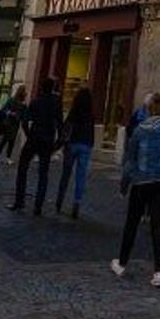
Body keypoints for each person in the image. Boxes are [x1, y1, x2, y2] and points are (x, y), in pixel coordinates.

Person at [111, 92, 160, 283]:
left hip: (141, 182)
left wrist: (124, 186)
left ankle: (122, 263)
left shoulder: (139, 131)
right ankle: (158, 272)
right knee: (158, 226)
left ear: (148, 109)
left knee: (132, 223)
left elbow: (130, 162)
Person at [10, 77, 63, 215]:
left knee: (23, 168)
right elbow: (60, 124)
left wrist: (29, 136)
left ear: (41, 87)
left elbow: (25, 122)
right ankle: (38, 206)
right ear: (52, 88)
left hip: (34, 138)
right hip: (47, 140)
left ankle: (19, 201)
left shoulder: (36, 101)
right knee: (43, 173)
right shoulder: (56, 103)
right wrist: (57, 144)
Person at [55, 86, 95, 219]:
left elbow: (67, 126)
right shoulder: (90, 113)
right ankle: (76, 203)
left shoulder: (74, 111)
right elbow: (92, 130)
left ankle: (59, 200)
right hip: (86, 144)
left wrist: (60, 143)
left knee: (66, 174)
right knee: (81, 176)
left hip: (72, 144)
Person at [0, 85, 26, 162]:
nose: (25, 93)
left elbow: (24, 114)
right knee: (5, 139)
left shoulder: (23, 103)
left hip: (16, 124)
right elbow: (4, 109)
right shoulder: (11, 100)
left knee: (12, 141)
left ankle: (8, 157)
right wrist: (10, 113)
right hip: (9, 122)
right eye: (23, 91)